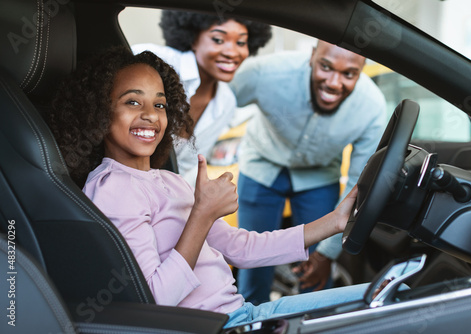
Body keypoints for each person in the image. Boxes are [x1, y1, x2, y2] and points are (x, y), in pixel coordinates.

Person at [47, 46, 369, 328]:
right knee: (380, 306)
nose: (150, 116)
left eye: (159, 105)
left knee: (378, 296)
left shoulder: (168, 180)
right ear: (100, 112)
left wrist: (336, 222)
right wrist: (203, 213)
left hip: (242, 314)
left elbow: (241, 248)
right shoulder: (114, 188)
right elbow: (154, 301)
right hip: (214, 325)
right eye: (133, 102)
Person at [229, 41, 387, 304]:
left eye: (348, 74)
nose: (334, 83)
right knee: (253, 265)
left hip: (319, 176)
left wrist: (328, 254)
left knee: (316, 274)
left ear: (361, 71)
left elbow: (358, 184)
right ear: (312, 56)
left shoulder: (372, 107)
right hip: (261, 165)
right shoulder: (267, 73)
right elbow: (216, 100)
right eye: (326, 67)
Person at [132, 10, 272, 187]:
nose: (232, 52)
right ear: (193, 39)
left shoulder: (226, 102)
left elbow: (184, 167)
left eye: (241, 42)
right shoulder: (157, 61)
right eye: (218, 40)